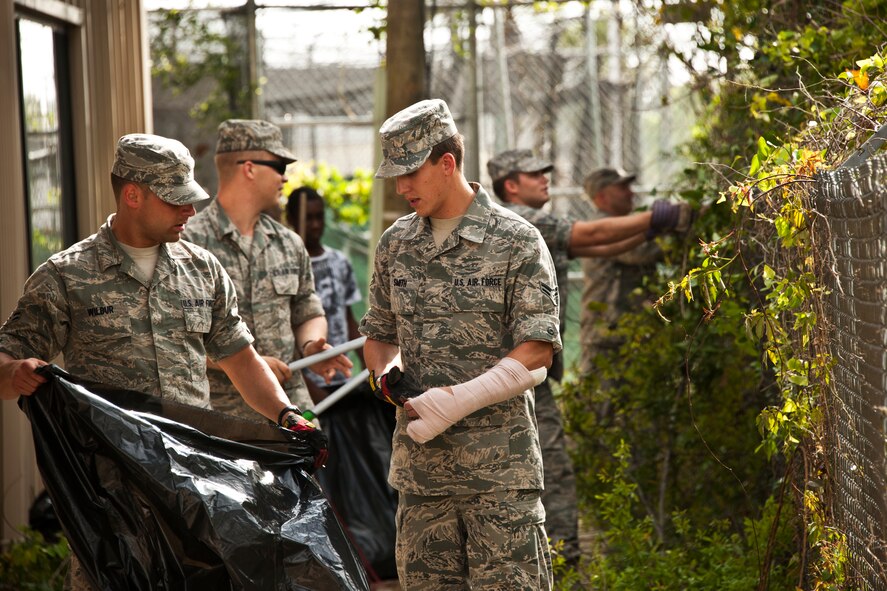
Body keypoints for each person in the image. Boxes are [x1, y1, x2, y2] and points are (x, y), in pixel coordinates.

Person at [0, 133, 318, 590]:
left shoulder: (203, 269)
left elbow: (241, 360)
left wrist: (287, 414)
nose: (189, 211)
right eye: (175, 201)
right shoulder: (65, 276)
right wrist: (15, 373)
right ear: (133, 195)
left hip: (192, 489)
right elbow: (9, 357)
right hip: (110, 497)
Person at [360, 99, 561, 590]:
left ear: (446, 163)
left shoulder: (517, 240)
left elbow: (538, 350)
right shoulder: (396, 244)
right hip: (422, 479)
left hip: (500, 478)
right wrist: (389, 380)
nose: (402, 187)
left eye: (411, 172)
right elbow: (380, 338)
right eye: (395, 175)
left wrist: (456, 402)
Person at [486, 149, 692, 565]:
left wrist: (653, 229)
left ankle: (549, 556)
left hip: (520, 371)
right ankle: (560, 562)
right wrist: (659, 218)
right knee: (554, 469)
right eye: (535, 174)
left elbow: (600, 247)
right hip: (514, 371)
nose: (547, 179)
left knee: (537, 463)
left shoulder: (522, 222)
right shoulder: (519, 218)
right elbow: (595, 237)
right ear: (511, 185)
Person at [182, 119, 352, 421]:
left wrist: (312, 347)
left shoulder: (288, 242)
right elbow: (177, 335)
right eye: (279, 167)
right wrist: (252, 364)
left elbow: (307, 310)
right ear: (249, 168)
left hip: (290, 414)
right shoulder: (186, 245)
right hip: (222, 420)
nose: (285, 179)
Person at [579, 168, 662, 377]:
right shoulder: (600, 227)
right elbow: (641, 253)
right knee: (602, 404)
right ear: (601, 197)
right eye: (622, 188)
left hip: (629, 331)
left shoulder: (625, 224)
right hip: (606, 335)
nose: (630, 193)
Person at [285, 186, 364, 400]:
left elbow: (348, 318)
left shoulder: (339, 261)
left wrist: (369, 368)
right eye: (308, 218)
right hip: (304, 385)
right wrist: (308, 386)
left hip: (342, 377)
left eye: (319, 217)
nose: (316, 225)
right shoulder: (286, 266)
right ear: (291, 218)